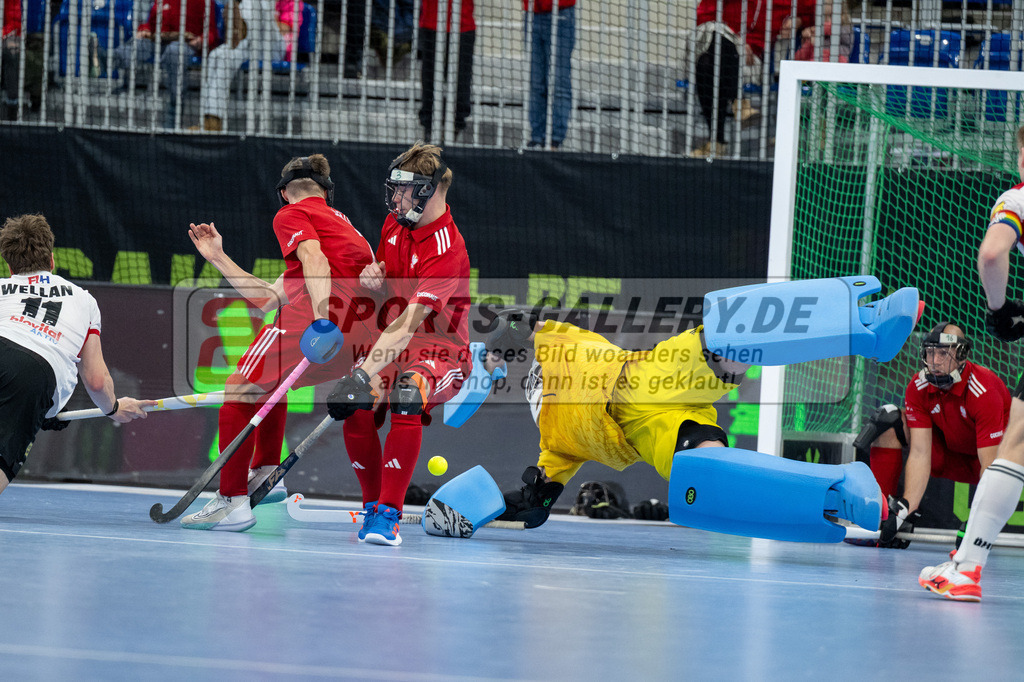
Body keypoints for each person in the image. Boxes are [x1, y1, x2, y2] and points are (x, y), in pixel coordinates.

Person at [180, 154, 378, 531]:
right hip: (361, 338)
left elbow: (313, 258)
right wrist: (217, 257)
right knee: (272, 383)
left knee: (239, 388)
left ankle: (231, 501)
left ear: (284, 192)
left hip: (322, 319)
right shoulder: (346, 229)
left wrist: (322, 319)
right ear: (327, 191)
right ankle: (267, 471)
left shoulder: (291, 214)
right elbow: (268, 298)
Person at [326, 142, 471, 547]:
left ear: (427, 191)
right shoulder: (396, 223)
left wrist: (360, 373)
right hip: (393, 342)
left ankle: (388, 515)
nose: (394, 199)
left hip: (441, 351)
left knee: (407, 394)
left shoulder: (446, 249)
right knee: (357, 407)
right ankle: (372, 505)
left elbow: (409, 323)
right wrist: (375, 272)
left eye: (403, 191)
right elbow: (389, 273)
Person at [490, 312, 747, 528]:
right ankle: (733, 487)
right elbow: (512, 325)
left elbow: (535, 503)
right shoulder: (558, 349)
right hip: (646, 402)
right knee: (697, 436)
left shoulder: (556, 442)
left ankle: (727, 486)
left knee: (697, 448)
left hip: (643, 399)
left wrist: (503, 508)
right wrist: (494, 354)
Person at [919, 125, 1024, 601]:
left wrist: (1000, 309)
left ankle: (966, 568)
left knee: (1015, 445)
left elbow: (992, 254)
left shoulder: (1017, 199)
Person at [0, 214, 154, 495]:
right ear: (52, 261)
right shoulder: (83, 300)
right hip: (33, 372)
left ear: (9, 267)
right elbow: (96, 380)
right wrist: (113, 408)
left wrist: (46, 410)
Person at [855, 322, 1010, 549]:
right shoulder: (918, 386)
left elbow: (991, 465)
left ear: (961, 355)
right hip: (947, 457)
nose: (934, 361)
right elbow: (920, 453)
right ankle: (880, 518)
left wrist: (981, 519)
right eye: (930, 352)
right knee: (889, 420)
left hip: (995, 463)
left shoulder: (983, 388)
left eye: (943, 353)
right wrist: (906, 508)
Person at [690, 0, 816, 158]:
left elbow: (816, 12)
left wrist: (800, 21)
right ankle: (739, 102)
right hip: (713, 47)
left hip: (752, 62)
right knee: (712, 55)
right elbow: (703, 16)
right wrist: (737, 42)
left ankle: (717, 141)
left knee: (707, 65)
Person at [192, 0, 303, 132]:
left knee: (258, 3)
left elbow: (287, 27)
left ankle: (241, 32)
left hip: (274, 46)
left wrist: (263, 19)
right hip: (250, 45)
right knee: (218, 55)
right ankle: (210, 121)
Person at [110, 0, 220, 127]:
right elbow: (152, 24)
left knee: (174, 51)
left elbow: (212, 33)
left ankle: (174, 109)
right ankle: (108, 60)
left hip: (187, 44)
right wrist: (145, 30)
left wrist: (201, 40)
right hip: (160, 42)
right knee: (139, 45)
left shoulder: (205, 2)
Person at [418, 0, 475, 142]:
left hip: (463, 25)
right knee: (430, 80)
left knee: (461, 81)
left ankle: (456, 125)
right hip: (431, 23)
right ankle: (429, 127)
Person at [524, 0, 576, 150]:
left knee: (559, 82)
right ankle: (537, 137)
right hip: (532, 12)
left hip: (561, 12)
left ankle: (555, 139)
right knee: (536, 83)